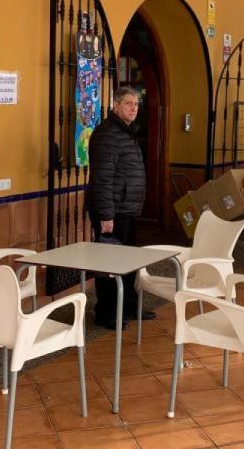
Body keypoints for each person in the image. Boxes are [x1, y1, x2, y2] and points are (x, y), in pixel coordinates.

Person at [86, 86, 153, 329]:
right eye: (128, 103)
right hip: (112, 212)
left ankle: (127, 306)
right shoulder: (107, 134)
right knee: (109, 266)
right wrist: (106, 215)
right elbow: (102, 178)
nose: (134, 108)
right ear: (115, 105)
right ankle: (105, 313)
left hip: (126, 209)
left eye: (136, 104)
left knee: (127, 263)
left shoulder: (125, 132)